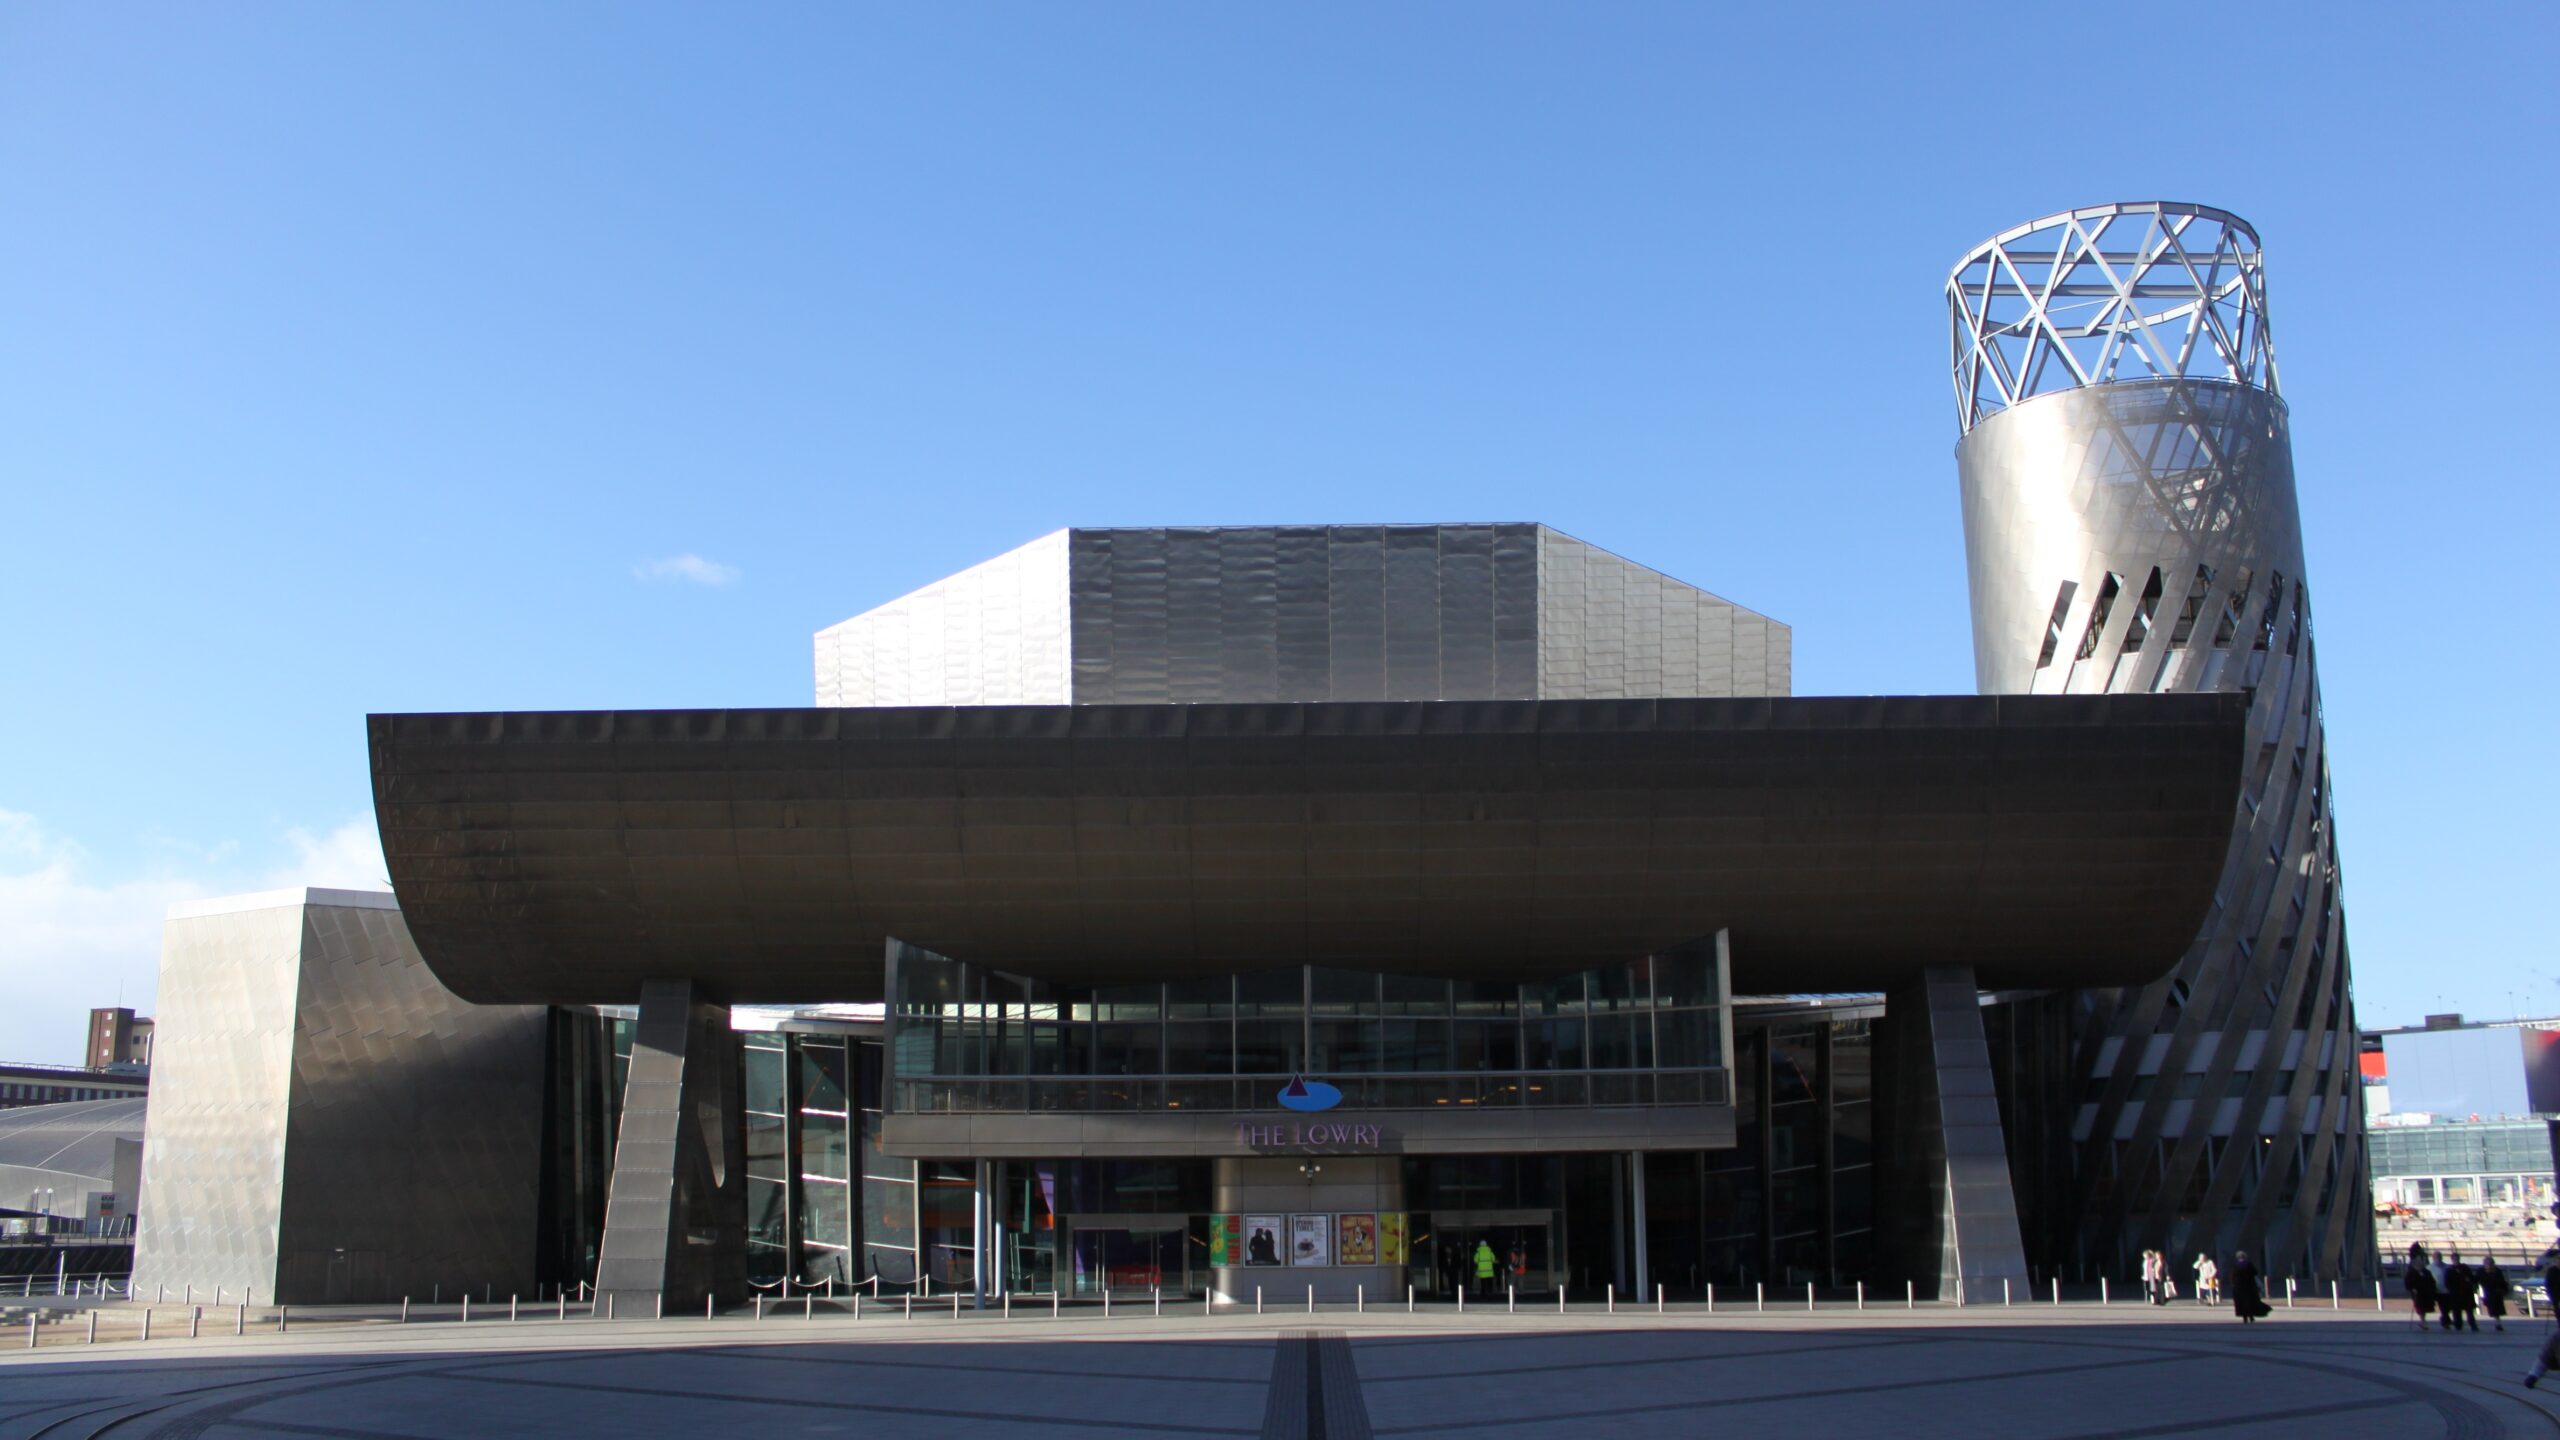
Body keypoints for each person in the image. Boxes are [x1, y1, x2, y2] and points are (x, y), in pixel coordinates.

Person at [2228, 1250, 2269, 1324]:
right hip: (2249, 1286)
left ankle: (2245, 1318)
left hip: (2239, 1287)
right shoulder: (2249, 1264)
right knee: (2250, 1302)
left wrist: (2234, 1285)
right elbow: (2256, 1272)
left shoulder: (2235, 1266)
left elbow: (2232, 1277)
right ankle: (2251, 1317)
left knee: (2242, 1303)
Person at [2444, 1255, 2479, 1333]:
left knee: (2469, 1310)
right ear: (2452, 1260)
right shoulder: (2450, 1270)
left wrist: (2469, 1279)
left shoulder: (2465, 1268)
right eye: (2454, 1259)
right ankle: (2458, 1325)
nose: (2455, 1260)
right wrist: (2451, 1289)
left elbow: (2472, 1278)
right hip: (2455, 1293)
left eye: (2456, 1259)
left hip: (2466, 1293)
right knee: (2456, 1311)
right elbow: (2447, 1282)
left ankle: (2472, 1325)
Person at [2479, 1256, 2512, 1332]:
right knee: (2492, 1308)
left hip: (2496, 1292)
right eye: (2487, 1263)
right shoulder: (2481, 1271)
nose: (2488, 1265)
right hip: (2488, 1292)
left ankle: (2498, 1323)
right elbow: (2479, 1280)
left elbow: (2502, 1281)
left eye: (2490, 1263)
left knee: (2497, 1310)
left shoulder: (2497, 1271)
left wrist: (2504, 1289)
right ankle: (2497, 1323)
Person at [2406, 1256, 2439, 1330]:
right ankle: (2423, 1321)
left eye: (2420, 1264)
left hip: (2426, 1292)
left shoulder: (2426, 1272)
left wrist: (2433, 1289)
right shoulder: (2411, 1273)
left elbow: (2432, 1281)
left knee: (2425, 1307)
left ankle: (2423, 1320)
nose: (2419, 1265)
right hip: (2417, 1293)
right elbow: (2408, 1283)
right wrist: (2412, 1288)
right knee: (2420, 1307)